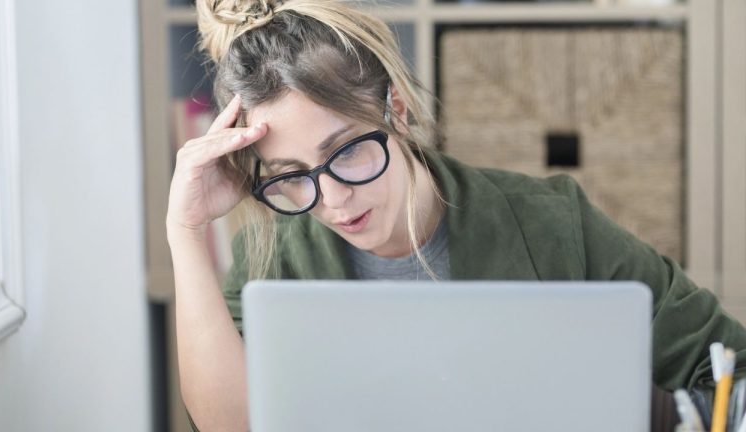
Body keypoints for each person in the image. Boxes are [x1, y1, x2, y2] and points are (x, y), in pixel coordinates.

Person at [166, 0, 746, 430]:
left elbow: (726, 373)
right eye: (292, 176)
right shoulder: (271, 262)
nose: (333, 200)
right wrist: (186, 232)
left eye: (346, 152)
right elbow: (233, 427)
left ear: (396, 107)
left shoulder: (551, 222)